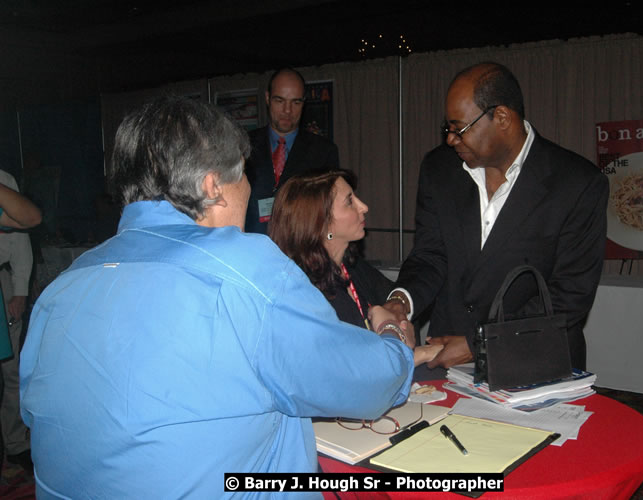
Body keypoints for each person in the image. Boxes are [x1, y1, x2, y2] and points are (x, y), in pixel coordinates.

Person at [19, 96, 414, 499]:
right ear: (213, 187)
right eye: (243, 176)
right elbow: (369, 383)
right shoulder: (248, 272)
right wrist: (392, 335)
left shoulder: (62, 287)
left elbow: (41, 416)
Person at [384, 62, 608, 375]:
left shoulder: (577, 183)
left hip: (533, 362)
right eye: (447, 129)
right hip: (446, 358)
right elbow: (429, 255)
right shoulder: (439, 170)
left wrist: (479, 343)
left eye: (459, 128)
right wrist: (401, 300)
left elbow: (569, 297)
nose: (450, 139)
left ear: (502, 118)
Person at [268, 170, 442, 365]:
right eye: (350, 201)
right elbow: (351, 369)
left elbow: (400, 318)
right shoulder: (303, 292)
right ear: (321, 223)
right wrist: (424, 353)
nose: (364, 207)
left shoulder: (355, 268)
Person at [245, 67, 340, 234]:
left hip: (301, 249)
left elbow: (328, 211)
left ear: (304, 102)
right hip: (252, 248)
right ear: (267, 98)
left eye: (296, 102)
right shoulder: (242, 145)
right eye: (280, 101)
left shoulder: (323, 152)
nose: (287, 111)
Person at [0, 169, 39, 474]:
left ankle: (15, 444)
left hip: (2, 281)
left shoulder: (4, 180)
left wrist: (20, 291)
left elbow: (25, 226)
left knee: (11, 371)